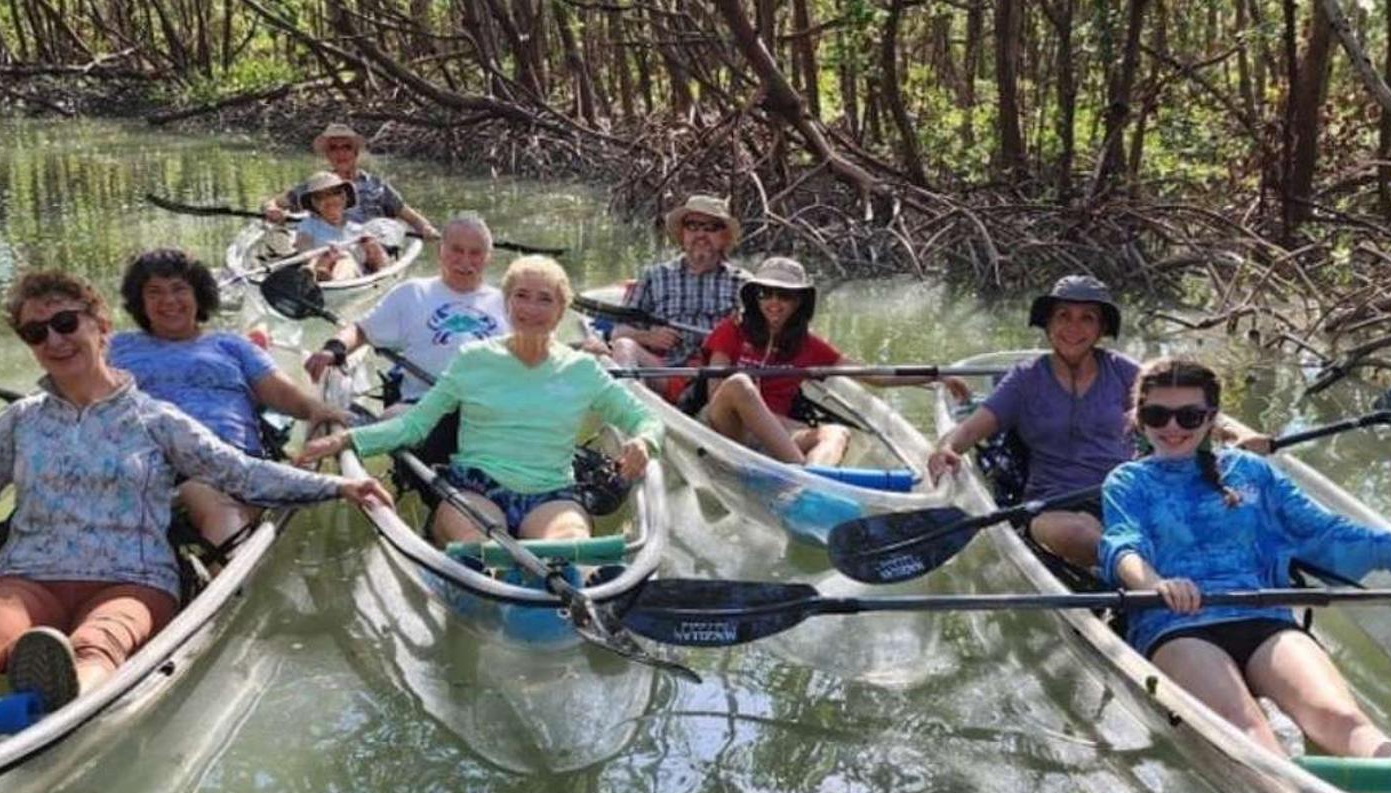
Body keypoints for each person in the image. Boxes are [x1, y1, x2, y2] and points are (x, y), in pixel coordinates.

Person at [0, 270, 392, 793]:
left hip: (131, 577)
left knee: (101, 639)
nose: (56, 340)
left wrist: (337, 487)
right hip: (30, 573)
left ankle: (64, 710)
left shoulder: (156, 420)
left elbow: (238, 473)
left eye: (66, 323)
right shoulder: (21, 421)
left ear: (101, 326)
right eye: (38, 333)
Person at [1098, 357, 1391, 793]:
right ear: (1140, 418)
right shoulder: (1127, 482)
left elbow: (1323, 529)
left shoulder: (1251, 472)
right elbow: (1122, 546)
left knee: (1341, 718)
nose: (1174, 428)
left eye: (1190, 415)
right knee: (1245, 723)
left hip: (1265, 616)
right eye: (1159, 416)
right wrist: (1156, 582)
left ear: (1211, 417)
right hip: (1179, 626)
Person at [298, 256, 661, 546]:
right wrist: (345, 438)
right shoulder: (472, 358)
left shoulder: (582, 369)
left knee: (571, 550)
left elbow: (647, 419)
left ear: (561, 310)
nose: (531, 308)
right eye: (521, 295)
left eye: (545, 298)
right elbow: (414, 424)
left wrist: (643, 442)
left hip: (552, 494)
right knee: (478, 549)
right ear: (506, 304)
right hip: (476, 489)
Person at [109, 248, 350, 548]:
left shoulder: (230, 345)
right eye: (154, 292)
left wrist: (316, 409)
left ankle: (224, 572)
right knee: (193, 494)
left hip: (231, 465)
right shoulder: (116, 348)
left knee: (210, 498)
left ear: (198, 295)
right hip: (150, 468)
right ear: (140, 302)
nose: (168, 301)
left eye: (179, 289)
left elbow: (279, 391)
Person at [928, 275, 1138, 570]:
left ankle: (1131, 571)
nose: (1073, 328)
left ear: (1101, 328)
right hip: (1052, 506)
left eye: (1087, 318)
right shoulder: (1025, 379)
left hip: (1123, 497)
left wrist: (1219, 424)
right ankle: (1135, 571)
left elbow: (1178, 399)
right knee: (1078, 532)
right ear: (1048, 323)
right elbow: (969, 431)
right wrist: (946, 449)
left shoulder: (1122, 370)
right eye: (1063, 316)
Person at [701, 256, 969, 466]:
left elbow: (875, 375)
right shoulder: (731, 330)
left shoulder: (807, 345)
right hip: (729, 426)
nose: (774, 303)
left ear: (799, 302)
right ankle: (801, 474)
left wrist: (937, 374)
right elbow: (715, 395)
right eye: (765, 294)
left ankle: (812, 482)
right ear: (754, 296)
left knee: (836, 433)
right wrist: (759, 421)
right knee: (739, 383)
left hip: (780, 432)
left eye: (785, 296)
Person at [303, 212, 507, 461]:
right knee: (389, 420)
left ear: (488, 257)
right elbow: (362, 330)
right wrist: (333, 349)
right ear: (441, 250)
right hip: (422, 404)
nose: (465, 261)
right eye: (456, 250)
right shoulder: (412, 293)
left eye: (475, 253)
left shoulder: (508, 303)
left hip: (489, 410)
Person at [609, 194, 751, 396]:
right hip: (665, 370)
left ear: (724, 237)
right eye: (693, 226)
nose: (701, 234)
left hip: (718, 379)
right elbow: (618, 332)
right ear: (682, 234)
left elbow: (759, 341)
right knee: (624, 346)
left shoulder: (744, 283)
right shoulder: (654, 275)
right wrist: (648, 337)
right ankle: (629, 409)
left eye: (711, 228)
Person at [261, 122, 436, 237]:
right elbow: (273, 203)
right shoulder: (317, 184)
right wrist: (271, 209)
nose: (340, 153)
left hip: (370, 247)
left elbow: (411, 218)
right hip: (327, 245)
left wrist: (426, 228)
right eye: (334, 148)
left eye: (346, 147)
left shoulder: (377, 185)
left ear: (355, 152)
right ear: (327, 155)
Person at [291, 171, 388, 286]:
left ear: (343, 197)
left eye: (334, 193)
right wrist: (322, 257)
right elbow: (304, 246)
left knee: (345, 258)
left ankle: (333, 282)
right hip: (317, 269)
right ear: (315, 204)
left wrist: (372, 245)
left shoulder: (358, 230)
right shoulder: (308, 225)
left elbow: (382, 264)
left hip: (352, 281)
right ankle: (320, 276)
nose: (329, 199)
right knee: (324, 260)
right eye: (320, 197)